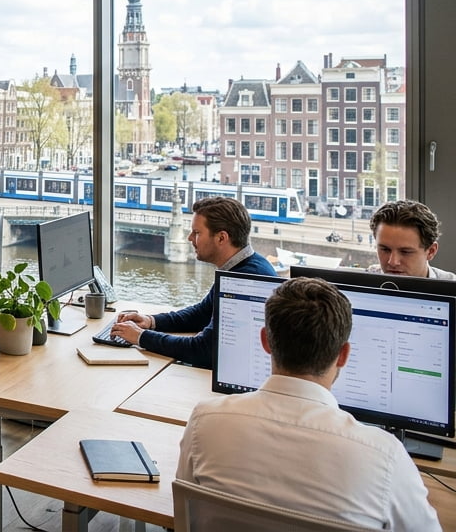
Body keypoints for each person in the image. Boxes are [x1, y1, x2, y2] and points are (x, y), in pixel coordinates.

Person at [177, 277, 440, 530]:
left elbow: (188, 510)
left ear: (265, 341)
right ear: (343, 355)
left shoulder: (204, 422)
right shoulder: (385, 456)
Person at [108, 196, 275, 368]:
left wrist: (141, 337)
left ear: (221, 238)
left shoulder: (244, 281)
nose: (189, 238)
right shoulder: (244, 266)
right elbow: (201, 314)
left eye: (196, 233)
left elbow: (203, 350)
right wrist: (150, 321)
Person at [368, 199, 454, 280]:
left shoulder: (452, 288)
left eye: (405, 252)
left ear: (431, 251)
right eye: (385, 249)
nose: (393, 262)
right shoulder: (366, 281)